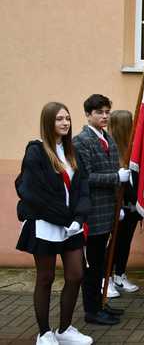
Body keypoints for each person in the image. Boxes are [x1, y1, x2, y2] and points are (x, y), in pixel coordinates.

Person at [16, 102, 93, 345]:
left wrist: (79, 218)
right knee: (45, 278)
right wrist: (65, 218)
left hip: (71, 225)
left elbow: (82, 189)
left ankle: (65, 329)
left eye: (67, 119)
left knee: (75, 274)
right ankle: (44, 333)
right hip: (46, 224)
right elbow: (33, 192)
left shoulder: (73, 152)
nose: (65, 123)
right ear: (49, 121)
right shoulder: (36, 152)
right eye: (59, 119)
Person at [73, 94, 128, 325]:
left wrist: (120, 205)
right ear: (88, 115)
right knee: (93, 265)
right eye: (99, 112)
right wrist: (116, 177)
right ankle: (92, 311)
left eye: (107, 112)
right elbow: (86, 177)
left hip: (109, 211)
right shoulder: (80, 141)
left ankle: (101, 302)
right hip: (93, 214)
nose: (104, 116)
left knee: (104, 262)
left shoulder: (108, 138)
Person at [108, 110, 141, 295]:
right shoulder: (111, 149)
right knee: (112, 243)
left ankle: (120, 274)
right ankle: (108, 278)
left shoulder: (133, 148)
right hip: (116, 208)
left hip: (131, 208)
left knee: (125, 242)